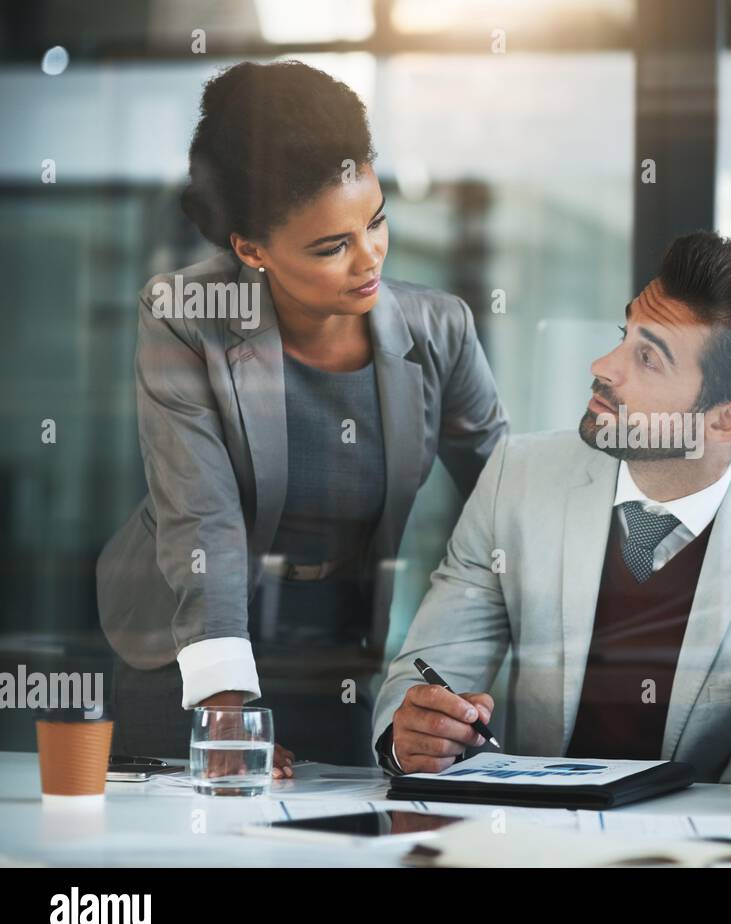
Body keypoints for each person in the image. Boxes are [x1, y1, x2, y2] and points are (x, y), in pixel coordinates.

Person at [96, 61, 507, 769]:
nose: (369, 257)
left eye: (375, 220)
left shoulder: (439, 328)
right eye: (331, 246)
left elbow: (505, 493)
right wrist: (226, 706)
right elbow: (203, 514)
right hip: (187, 646)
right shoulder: (188, 316)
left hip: (339, 646)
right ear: (251, 250)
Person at [372, 232, 731, 783]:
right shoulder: (519, 476)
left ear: (728, 420)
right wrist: (413, 734)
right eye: (622, 334)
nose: (604, 365)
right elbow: (433, 672)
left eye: (648, 358)